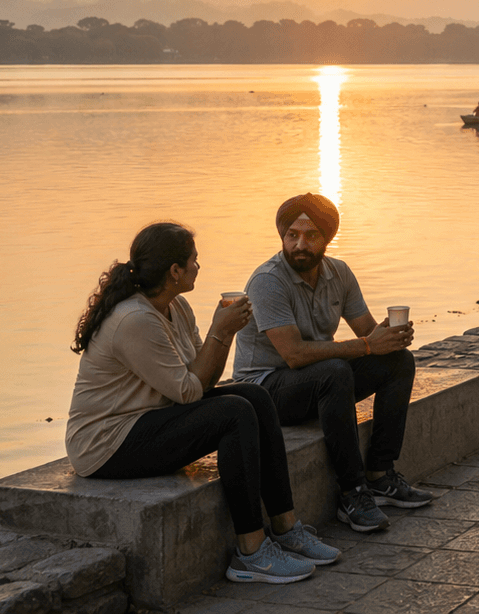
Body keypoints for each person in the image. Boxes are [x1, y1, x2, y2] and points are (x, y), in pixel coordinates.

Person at [67, 223, 338, 584]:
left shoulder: (176, 307)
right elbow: (189, 391)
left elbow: (202, 377)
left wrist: (224, 334)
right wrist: (221, 331)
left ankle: (286, 527)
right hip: (106, 443)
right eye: (194, 261)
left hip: (151, 417)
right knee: (233, 412)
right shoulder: (134, 320)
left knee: (253, 396)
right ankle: (251, 553)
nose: (199, 266)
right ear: (174, 271)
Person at [234, 194, 433, 534]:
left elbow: (367, 334)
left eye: (311, 235)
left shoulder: (338, 273)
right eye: (292, 235)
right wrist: (368, 345)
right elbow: (294, 355)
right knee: (336, 370)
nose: (300, 244)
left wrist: (389, 337)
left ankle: (380, 475)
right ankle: (351, 493)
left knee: (399, 362)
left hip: (316, 382)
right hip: (266, 391)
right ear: (282, 236)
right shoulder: (267, 280)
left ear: (327, 238)